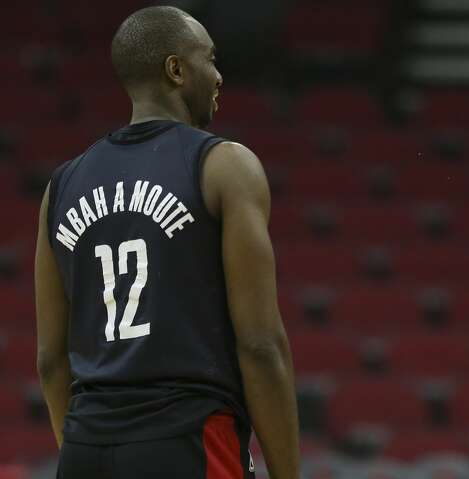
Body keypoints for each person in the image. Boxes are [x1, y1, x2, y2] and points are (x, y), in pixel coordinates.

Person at [33, 6, 300, 478]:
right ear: (176, 70)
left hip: (85, 446)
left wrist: (85, 449)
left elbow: (51, 361)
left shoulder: (62, 185)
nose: (219, 76)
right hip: (188, 438)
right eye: (210, 60)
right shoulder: (224, 165)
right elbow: (260, 344)